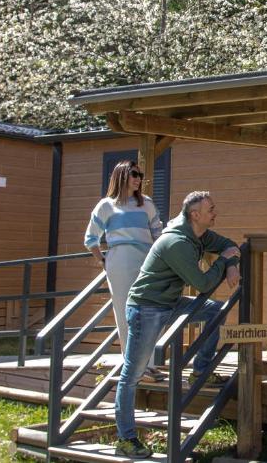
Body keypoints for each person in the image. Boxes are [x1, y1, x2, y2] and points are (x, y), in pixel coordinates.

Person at [113, 190, 241, 459]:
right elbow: (204, 283)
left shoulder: (199, 234)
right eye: (211, 209)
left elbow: (228, 243)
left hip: (169, 303)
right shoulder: (177, 242)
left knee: (214, 311)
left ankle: (200, 369)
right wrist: (225, 261)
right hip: (146, 308)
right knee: (132, 374)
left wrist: (232, 262)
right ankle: (125, 438)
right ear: (195, 215)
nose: (215, 213)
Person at [84, 160, 163, 380]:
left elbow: (159, 235)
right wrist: (103, 261)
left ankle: (149, 363)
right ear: (121, 176)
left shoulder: (146, 204)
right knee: (125, 312)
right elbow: (90, 239)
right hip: (120, 260)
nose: (139, 178)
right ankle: (135, 366)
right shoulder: (106, 205)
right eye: (134, 174)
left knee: (151, 309)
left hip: (147, 261)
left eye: (140, 174)